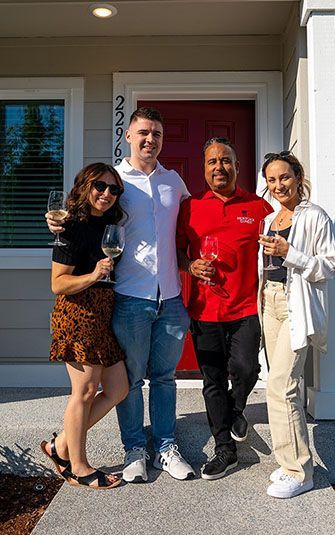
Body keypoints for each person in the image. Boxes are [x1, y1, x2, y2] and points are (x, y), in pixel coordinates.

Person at [46, 108, 194, 483]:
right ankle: (134, 450)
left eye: (157, 134)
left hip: (171, 298)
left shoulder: (174, 182)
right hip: (128, 296)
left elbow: (190, 229)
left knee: (163, 377)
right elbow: (74, 215)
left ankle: (165, 446)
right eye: (143, 132)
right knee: (130, 380)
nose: (150, 139)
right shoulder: (112, 181)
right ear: (127, 136)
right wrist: (52, 221)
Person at [176, 137, 273, 480]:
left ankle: (237, 409)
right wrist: (189, 266)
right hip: (204, 311)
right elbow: (175, 253)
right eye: (212, 161)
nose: (220, 167)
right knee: (212, 381)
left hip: (246, 307)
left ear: (237, 166)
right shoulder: (190, 208)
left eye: (226, 160)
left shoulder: (259, 207)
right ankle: (225, 450)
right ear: (204, 169)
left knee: (246, 370)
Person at [40, 162, 129, 490]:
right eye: (99, 187)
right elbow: (58, 284)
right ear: (84, 187)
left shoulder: (110, 225)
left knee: (118, 389)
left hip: (102, 316)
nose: (106, 194)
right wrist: (94, 274)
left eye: (114, 189)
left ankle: (60, 444)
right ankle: (78, 467)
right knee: (86, 390)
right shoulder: (71, 227)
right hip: (77, 315)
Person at [258, 151, 335, 498]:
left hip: (296, 307)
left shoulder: (315, 216)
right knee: (280, 385)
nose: (278, 186)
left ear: (298, 176)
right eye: (272, 180)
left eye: (284, 178)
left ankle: (300, 472)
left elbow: (328, 267)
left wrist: (290, 252)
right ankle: (288, 460)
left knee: (282, 385)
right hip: (270, 303)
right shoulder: (269, 219)